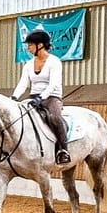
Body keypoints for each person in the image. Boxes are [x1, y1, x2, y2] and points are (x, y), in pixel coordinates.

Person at [11, 25, 70, 165]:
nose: (28, 48)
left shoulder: (54, 61)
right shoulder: (28, 64)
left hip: (51, 97)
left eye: (30, 45)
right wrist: (14, 98)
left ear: (40, 45)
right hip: (33, 98)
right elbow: (23, 84)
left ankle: (63, 150)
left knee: (55, 118)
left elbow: (53, 84)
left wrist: (41, 98)